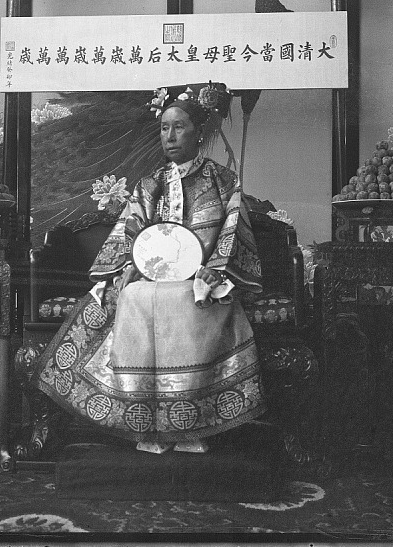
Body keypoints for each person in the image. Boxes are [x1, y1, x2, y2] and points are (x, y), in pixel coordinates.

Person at [31, 82, 266, 454]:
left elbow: (234, 228)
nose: (170, 136)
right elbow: (131, 233)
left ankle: (188, 425)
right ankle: (144, 422)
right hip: (149, 279)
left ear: (198, 131)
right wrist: (128, 266)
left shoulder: (222, 181)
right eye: (164, 128)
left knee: (188, 302)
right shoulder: (149, 185)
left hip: (198, 280)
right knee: (135, 296)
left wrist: (215, 270)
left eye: (179, 127)